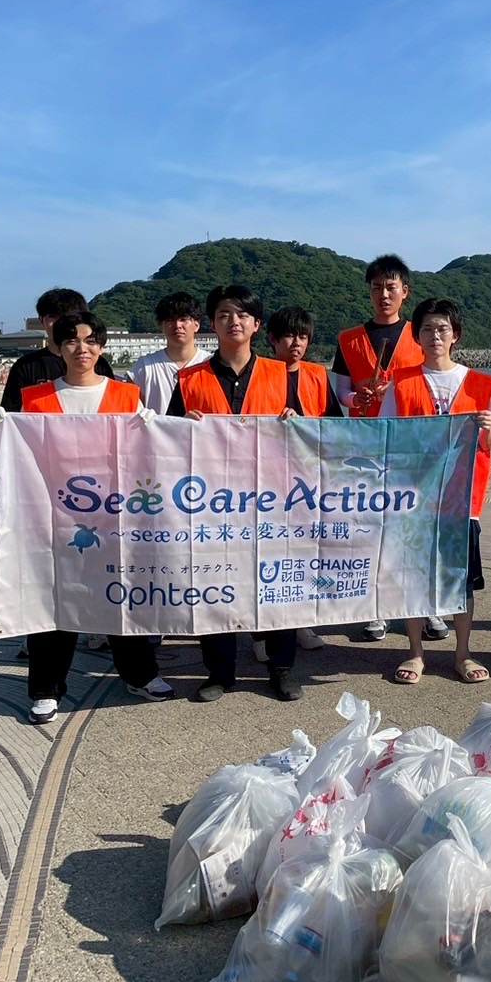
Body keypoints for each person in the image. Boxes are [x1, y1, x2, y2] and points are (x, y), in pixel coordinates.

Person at [13, 311, 175, 722]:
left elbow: (151, 451)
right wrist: (1, 429)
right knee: (54, 597)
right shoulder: (36, 398)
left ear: (100, 346)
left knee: (121, 594)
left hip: (115, 517)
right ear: (57, 345)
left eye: (89, 340)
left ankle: (139, 674)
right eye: (71, 340)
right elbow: (20, 457)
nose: (81, 348)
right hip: (55, 517)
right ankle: (46, 688)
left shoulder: (125, 394)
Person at [167, 285, 301, 703]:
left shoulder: (282, 375)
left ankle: (280, 668)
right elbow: (165, 440)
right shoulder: (189, 379)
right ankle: (220, 672)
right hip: (211, 503)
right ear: (213, 323)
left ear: (257, 325)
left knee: (276, 583)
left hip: (271, 500)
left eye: (243, 315)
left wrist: (297, 421)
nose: (234, 321)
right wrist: (181, 426)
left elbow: (314, 437)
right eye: (225, 314)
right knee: (214, 584)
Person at [379, 298, 491, 684]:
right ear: (417, 336)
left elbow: (488, 444)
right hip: (414, 500)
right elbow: (385, 437)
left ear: (456, 335)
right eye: (427, 329)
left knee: (460, 580)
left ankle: (463, 653)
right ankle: (415, 653)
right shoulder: (401, 381)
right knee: (414, 577)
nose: (435, 336)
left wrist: (490, 429)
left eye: (443, 328)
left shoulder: (481, 384)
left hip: (463, 502)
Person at [332, 254, 446, 643]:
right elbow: (340, 388)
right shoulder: (349, 339)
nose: (383, 293)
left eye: (391, 286)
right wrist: (354, 398)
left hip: (413, 446)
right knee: (373, 531)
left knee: (418, 528)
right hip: (366, 445)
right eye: (377, 286)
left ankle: (428, 608)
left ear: (405, 292)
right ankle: (376, 608)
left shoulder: (421, 335)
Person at [253, 305, 343, 660]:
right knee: (266, 556)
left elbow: (334, 422)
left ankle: (300, 622)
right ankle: (261, 634)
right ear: (272, 338)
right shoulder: (259, 373)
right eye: (289, 335)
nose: (296, 343)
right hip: (265, 479)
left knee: (303, 554)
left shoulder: (317, 374)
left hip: (306, 478)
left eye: (303, 336)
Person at [0, 288, 114, 413]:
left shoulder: (98, 364)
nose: (61, 322)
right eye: (53, 317)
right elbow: (11, 413)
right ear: (41, 320)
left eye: (68, 316)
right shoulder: (25, 366)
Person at [127, 291, 210, 414]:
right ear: (161, 326)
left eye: (183, 319)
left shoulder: (210, 364)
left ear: (196, 325)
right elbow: (130, 411)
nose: (177, 325)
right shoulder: (143, 367)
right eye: (170, 320)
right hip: (157, 433)